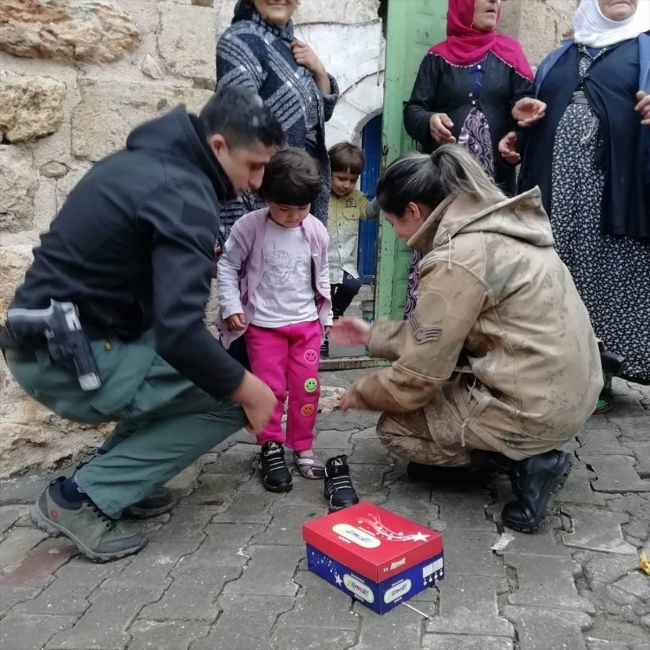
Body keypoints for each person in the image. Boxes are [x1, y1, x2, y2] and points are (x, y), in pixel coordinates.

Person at [0, 86, 283, 562]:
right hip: (69, 355)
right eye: (252, 165)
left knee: (194, 374)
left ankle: (118, 483)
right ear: (217, 146)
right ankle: (80, 499)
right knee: (227, 399)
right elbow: (178, 332)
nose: (256, 181)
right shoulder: (185, 194)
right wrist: (251, 391)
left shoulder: (146, 163)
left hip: (54, 338)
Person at [330, 145, 603, 534]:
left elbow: (417, 380)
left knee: (396, 429)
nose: (398, 236)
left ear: (413, 211)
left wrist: (361, 392)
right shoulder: (499, 227)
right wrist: (373, 335)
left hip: (536, 408)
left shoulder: (457, 256)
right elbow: (438, 335)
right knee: (430, 421)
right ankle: (515, 448)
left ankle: (526, 462)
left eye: (392, 223)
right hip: (574, 390)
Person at [501, 0, 650, 412]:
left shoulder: (647, 47)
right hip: (557, 194)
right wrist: (518, 130)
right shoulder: (559, 56)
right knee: (557, 274)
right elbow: (531, 115)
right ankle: (558, 372)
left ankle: (601, 375)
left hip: (615, 194)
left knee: (608, 278)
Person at [216, 148, 359, 510]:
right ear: (266, 198)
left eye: (302, 209)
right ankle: (270, 446)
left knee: (307, 389)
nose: (293, 216)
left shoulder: (314, 230)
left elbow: (322, 273)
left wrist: (325, 317)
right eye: (284, 209)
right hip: (264, 328)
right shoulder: (250, 227)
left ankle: (303, 446)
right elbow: (228, 266)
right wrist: (232, 305)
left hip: (306, 326)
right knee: (271, 391)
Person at [402, 0, 545, 319]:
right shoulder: (437, 58)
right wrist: (429, 121)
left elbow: (522, 110)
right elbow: (413, 110)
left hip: (493, 186)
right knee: (440, 253)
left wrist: (518, 129)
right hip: (442, 184)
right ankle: (431, 339)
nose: (494, 2)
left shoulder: (511, 54)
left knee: (489, 259)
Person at [216, 0, 339, 242]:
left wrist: (320, 71)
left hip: (298, 191)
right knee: (256, 275)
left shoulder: (293, 48)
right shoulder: (242, 40)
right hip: (265, 195)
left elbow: (317, 116)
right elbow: (237, 124)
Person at [321, 142, 378, 358]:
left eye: (352, 180)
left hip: (345, 262)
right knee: (321, 300)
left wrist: (383, 196)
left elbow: (369, 213)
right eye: (341, 178)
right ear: (329, 172)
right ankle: (321, 339)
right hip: (323, 262)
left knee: (352, 284)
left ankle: (336, 313)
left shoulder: (357, 198)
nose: (346, 185)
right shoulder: (320, 196)